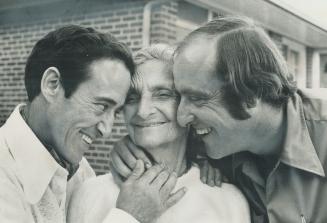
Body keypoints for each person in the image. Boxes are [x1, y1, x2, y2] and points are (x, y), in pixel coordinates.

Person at [111, 16, 327, 223]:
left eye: (197, 98)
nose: (182, 116)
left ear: (249, 96)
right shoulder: (223, 140)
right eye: (180, 96)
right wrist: (132, 146)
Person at [0, 25, 185, 223]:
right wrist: (129, 216)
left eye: (116, 111)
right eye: (101, 105)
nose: (106, 130)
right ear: (52, 84)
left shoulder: (80, 172)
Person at [67, 44, 250, 223]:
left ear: (187, 106)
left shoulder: (228, 200)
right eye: (132, 98)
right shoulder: (89, 193)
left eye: (162, 94)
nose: (142, 111)